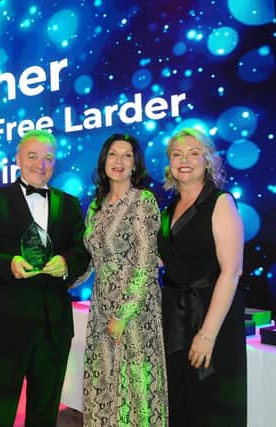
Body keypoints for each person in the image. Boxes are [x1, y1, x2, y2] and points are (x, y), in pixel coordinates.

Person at [0, 129, 91, 427]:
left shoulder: (70, 204)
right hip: (6, 323)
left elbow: (82, 251)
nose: (41, 165)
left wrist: (66, 262)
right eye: (33, 157)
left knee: (44, 410)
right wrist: (7, 263)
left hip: (55, 326)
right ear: (18, 160)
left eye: (48, 158)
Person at [157, 128, 246, 426]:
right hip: (174, 320)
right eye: (177, 154)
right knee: (180, 405)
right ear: (169, 162)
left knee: (210, 406)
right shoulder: (168, 210)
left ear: (207, 160)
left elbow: (232, 272)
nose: (185, 160)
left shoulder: (220, 202)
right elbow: (167, 259)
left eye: (194, 153)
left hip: (210, 319)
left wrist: (207, 336)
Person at [81, 133, 168, 426]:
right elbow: (92, 259)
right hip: (101, 305)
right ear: (104, 160)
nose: (118, 161)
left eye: (126, 155)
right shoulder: (96, 206)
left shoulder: (142, 201)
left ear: (135, 164)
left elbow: (146, 265)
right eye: (113, 154)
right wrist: (55, 280)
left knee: (135, 385)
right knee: (104, 381)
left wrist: (124, 314)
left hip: (134, 310)